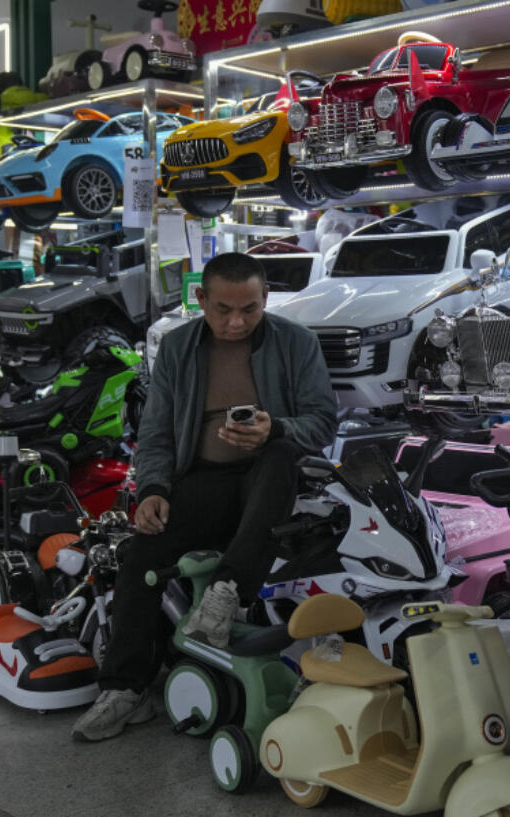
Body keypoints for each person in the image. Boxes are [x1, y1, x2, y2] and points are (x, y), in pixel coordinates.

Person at [71, 252, 337, 742]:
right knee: (141, 557)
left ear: (265, 300)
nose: (236, 322)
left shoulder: (296, 342)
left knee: (279, 454)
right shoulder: (178, 348)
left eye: (250, 309)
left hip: (269, 483)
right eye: (223, 310)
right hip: (203, 480)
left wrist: (273, 426)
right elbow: (155, 433)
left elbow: (322, 421)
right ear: (201, 300)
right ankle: (125, 690)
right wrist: (152, 489)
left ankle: (226, 595)